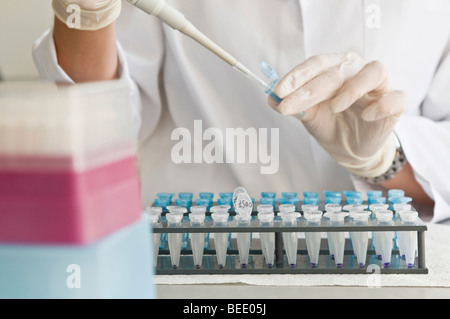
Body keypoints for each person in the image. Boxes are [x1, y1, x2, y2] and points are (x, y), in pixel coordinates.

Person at [33, 0, 450, 222]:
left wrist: (381, 159)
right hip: (195, 268)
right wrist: (85, 14)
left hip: (380, 266)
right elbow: (100, 131)